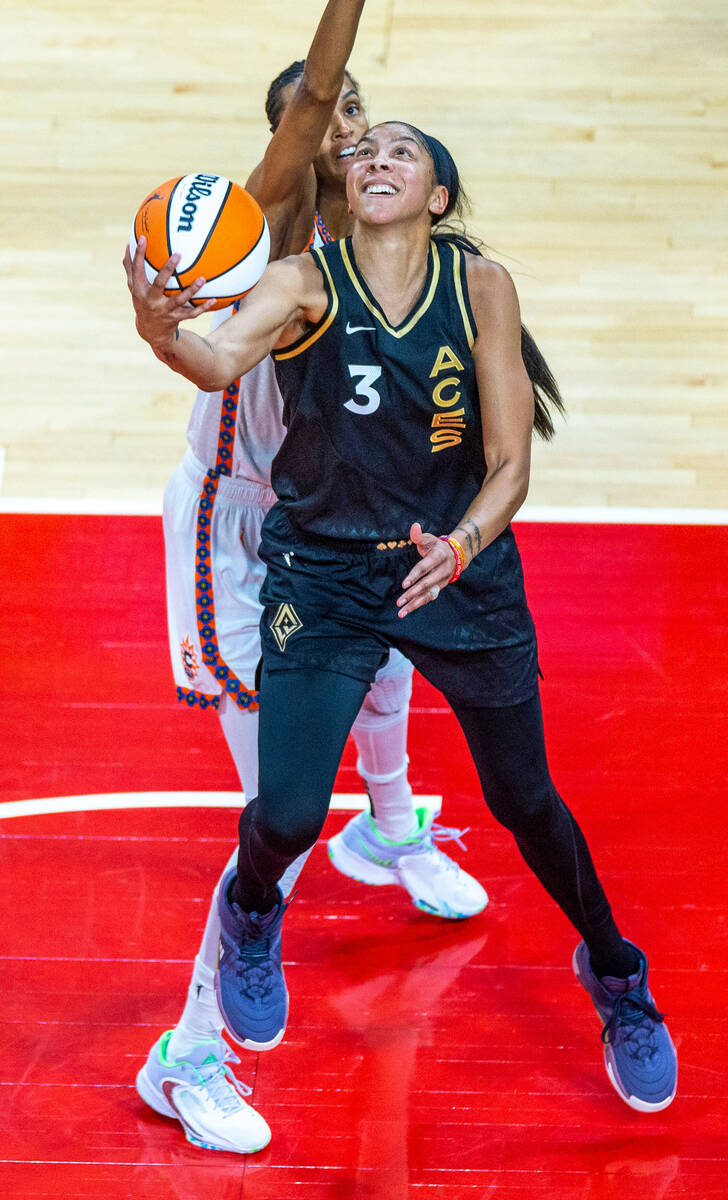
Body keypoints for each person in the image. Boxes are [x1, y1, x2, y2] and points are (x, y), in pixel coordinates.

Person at [126, 121, 677, 1118]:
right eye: (363, 151)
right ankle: (252, 913)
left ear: (435, 196)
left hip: (454, 570)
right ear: (344, 186)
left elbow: (509, 463)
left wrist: (461, 546)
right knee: (286, 816)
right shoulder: (301, 281)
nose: (376, 158)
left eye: (402, 153)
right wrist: (156, 324)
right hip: (325, 573)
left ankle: (616, 975)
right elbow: (212, 362)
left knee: (525, 805)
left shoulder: (480, 287)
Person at [133, 1, 486, 1157]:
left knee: (386, 666)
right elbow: (310, 106)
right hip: (231, 535)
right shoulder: (273, 218)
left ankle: (386, 829)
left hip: (331, 519)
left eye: (364, 115)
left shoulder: (397, 240)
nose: (352, 127)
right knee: (273, 818)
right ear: (296, 128)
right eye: (329, 111)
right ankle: (185, 1057)